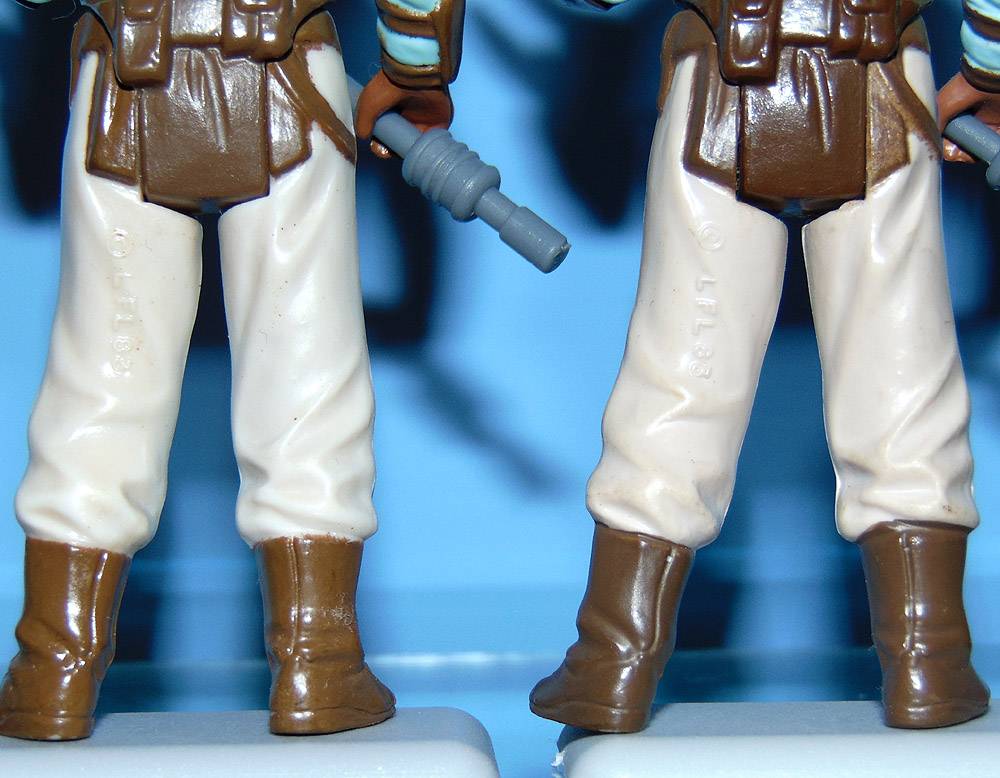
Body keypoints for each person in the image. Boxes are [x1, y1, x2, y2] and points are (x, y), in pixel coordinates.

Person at [0, 0, 465, 741]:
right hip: (282, 68)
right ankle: (319, 663)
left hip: (126, 67)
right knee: (303, 369)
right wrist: (415, 72)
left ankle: (49, 672)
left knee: (103, 373)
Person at [531, 0, 994, 733]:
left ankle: (612, 663)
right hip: (871, 73)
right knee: (901, 373)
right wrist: (989, 70)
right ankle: (929, 664)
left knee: (682, 373)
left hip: (728, 76)